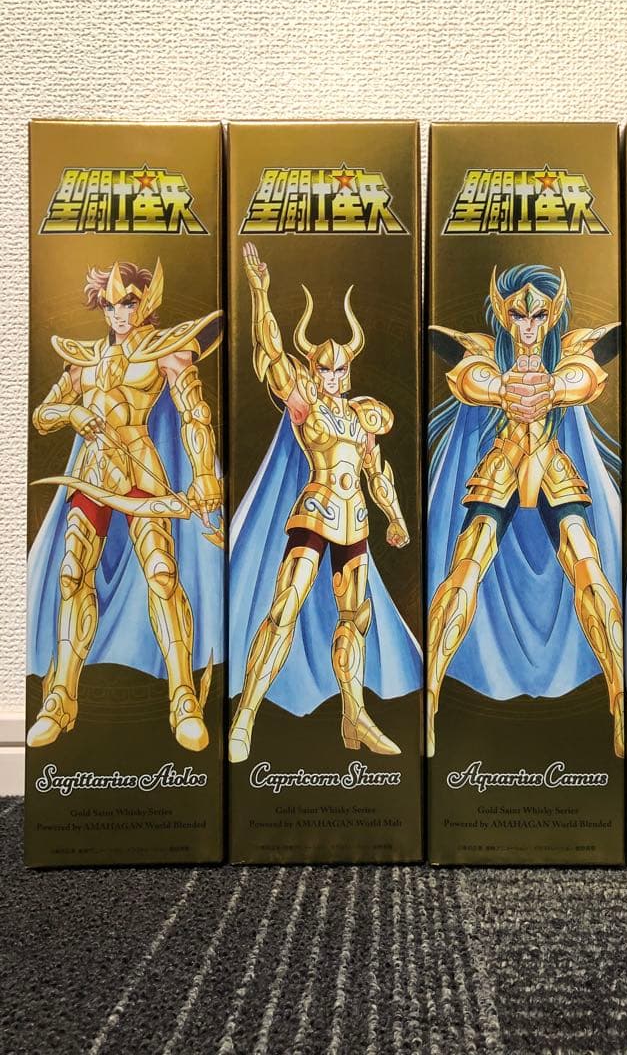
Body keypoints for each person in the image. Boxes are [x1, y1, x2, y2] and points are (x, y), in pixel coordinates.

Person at [227, 243, 420, 763]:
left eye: (340, 369)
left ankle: (354, 716)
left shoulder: (362, 416)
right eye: (324, 368)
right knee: (285, 608)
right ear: (314, 370)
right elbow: (271, 354)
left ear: (349, 371)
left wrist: (396, 518)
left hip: (356, 520)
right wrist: (260, 292)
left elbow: (376, 471)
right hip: (317, 512)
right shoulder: (306, 406)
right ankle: (246, 715)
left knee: (355, 619)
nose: (332, 375)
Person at [427, 264, 624, 758]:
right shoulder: (489, 353)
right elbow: (464, 369)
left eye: (538, 316)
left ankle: (619, 700)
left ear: (551, 316)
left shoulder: (565, 352)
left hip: (551, 465)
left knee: (590, 574)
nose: (529, 325)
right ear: (505, 315)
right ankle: (428, 699)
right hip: (504, 462)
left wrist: (553, 388)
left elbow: (589, 369)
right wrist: (502, 388)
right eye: (519, 315)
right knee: (464, 573)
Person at [27, 259, 223, 751]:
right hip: (92, 471)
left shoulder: (163, 350)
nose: (119, 313)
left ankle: (183, 698)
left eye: (129, 302)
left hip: (139, 467)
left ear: (146, 301)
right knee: (72, 574)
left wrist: (203, 475)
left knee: (161, 572)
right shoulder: (85, 358)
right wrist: (71, 411)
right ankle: (61, 699)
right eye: (111, 304)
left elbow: (195, 415)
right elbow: (42, 415)